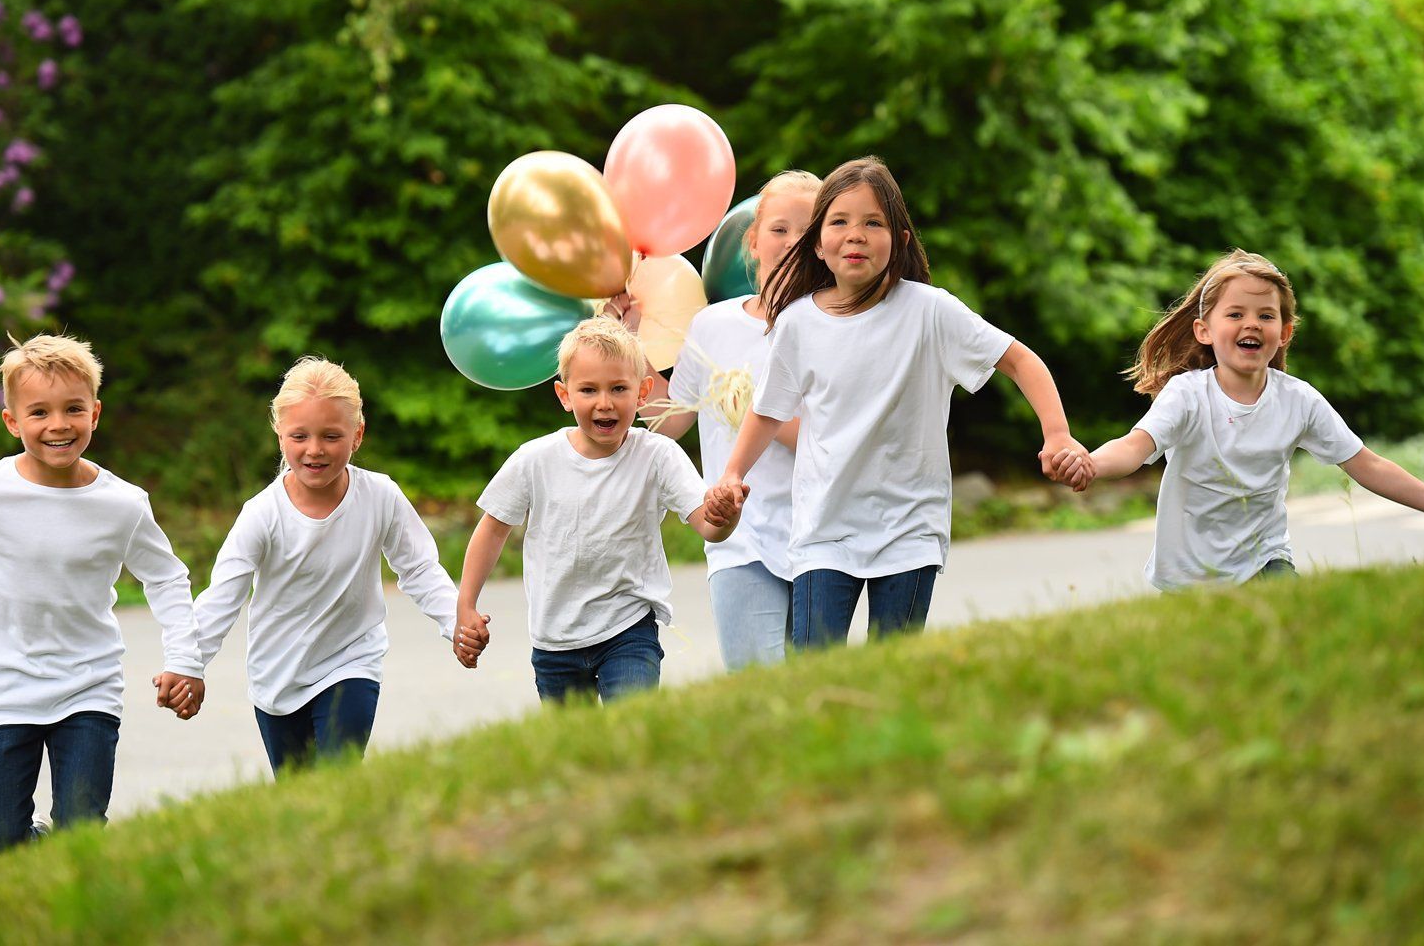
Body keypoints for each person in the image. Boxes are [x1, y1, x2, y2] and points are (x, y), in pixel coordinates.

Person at [715, 156, 1092, 650]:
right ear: (819, 244)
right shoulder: (798, 324)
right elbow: (767, 411)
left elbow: (1020, 360)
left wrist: (1057, 435)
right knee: (812, 667)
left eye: (874, 223)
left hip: (909, 532)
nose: (856, 234)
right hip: (823, 533)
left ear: (900, 241)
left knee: (893, 666)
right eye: (839, 222)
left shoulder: (930, 311)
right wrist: (732, 474)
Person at [0, 334, 205, 855]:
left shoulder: (123, 504)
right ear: (12, 421)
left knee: (80, 830)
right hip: (3, 687)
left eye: (73, 409)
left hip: (89, 685)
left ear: (95, 413)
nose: (58, 424)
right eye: (39, 412)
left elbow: (166, 578)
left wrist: (184, 660)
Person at [1088, 249, 1424, 589]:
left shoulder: (1298, 400)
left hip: (1266, 561)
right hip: (1188, 574)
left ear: (1283, 333)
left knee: (1295, 630)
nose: (1251, 323)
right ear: (1204, 331)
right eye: (1235, 314)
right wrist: (1089, 464)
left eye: (1265, 315)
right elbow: (1134, 447)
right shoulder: (1187, 395)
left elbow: (1369, 465)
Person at [187, 357, 483, 776]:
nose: (315, 449)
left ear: (357, 435)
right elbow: (223, 595)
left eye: (331, 435)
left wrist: (456, 622)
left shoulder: (379, 496)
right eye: (300, 436)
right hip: (277, 674)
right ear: (279, 434)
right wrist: (188, 663)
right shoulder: (262, 514)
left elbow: (419, 568)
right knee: (301, 794)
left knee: (337, 776)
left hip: (351, 661)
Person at [457, 316, 743, 704]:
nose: (604, 403)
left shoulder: (657, 455)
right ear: (564, 395)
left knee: (632, 724)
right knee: (573, 739)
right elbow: (492, 529)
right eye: (588, 390)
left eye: (619, 388)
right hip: (555, 639)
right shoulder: (534, 460)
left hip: (629, 629)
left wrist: (726, 515)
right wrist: (466, 605)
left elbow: (709, 526)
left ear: (642, 392)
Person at [608, 170, 818, 670]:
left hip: (822, 538)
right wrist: (630, 344)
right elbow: (670, 420)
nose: (792, 242)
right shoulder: (713, 325)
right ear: (754, 240)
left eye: (807, 232)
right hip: (740, 537)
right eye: (779, 229)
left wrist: (757, 411)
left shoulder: (831, 326)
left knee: (815, 688)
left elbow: (835, 442)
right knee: (756, 682)